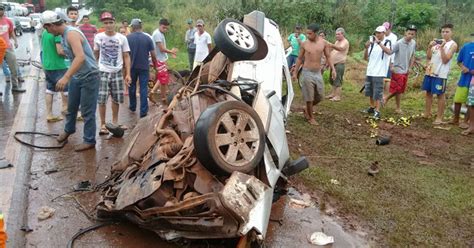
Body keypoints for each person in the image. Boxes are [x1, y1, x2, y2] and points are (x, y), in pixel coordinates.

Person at [41, 10, 100, 152]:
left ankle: (89, 140)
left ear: (51, 25)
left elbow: (80, 57)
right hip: (78, 76)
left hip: (89, 76)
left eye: (46, 27)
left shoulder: (71, 33)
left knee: (87, 111)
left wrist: (66, 76)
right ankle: (69, 130)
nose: (46, 31)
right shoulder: (62, 35)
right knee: (71, 108)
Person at [94, 12, 131, 135]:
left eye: (110, 22)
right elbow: (96, 54)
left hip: (117, 72)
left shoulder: (122, 38)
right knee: (102, 99)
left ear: (114, 23)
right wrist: (94, 70)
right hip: (103, 72)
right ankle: (103, 124)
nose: (108, 25)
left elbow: (126, 56)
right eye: (106, 23)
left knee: (116, 99)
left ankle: (115, 122)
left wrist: (128, 74)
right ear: (103, 24)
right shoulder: (98, 37)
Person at [292, 23, 336, 125]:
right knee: (309, 97)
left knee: (320, 96)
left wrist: (333, 69)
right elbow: (299, 58)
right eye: (307, 33)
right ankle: (310, 117)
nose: (308, 35)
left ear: (315, 33)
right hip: (307, 72)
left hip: (317, 73)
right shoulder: (305, 44)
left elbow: (328, 56)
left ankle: (306, 108)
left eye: (310, 33)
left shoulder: (323, 43)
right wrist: (295, 73)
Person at [422, 23, 457, 125]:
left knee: (440, 95)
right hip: (430, 71)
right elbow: (428, 57)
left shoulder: (453, 45)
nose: (444, 33)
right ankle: (427, 113)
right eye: (443, 31)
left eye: (447, 31)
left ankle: (439, 118)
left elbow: (446, 60)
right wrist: (429, 46)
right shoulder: (436, 43)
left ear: (451, 32)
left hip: (441, 73)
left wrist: (442, 47)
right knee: (428, 93)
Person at [127, 18, 158, 118]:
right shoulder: (147, 38)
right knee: (143, 88)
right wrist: (155, 66)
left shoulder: (128, 38)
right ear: (141, 27)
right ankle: (143, 111)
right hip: (144, 67)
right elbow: (153, 55)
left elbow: (125, 54)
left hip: (131, 67)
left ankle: (132, 106)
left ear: (132, 27)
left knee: (132, 87)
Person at [383, 25, 417, 113]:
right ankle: (385, 98)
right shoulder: (398, 43)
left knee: (400, 90)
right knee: (398, 88)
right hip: (397, 68)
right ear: (405, 33)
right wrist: (391, 65)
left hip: (406, 69)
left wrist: (410, 67)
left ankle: (398, 108)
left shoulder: (413, 43)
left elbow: (413, 56)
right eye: (409, 33)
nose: (410, 35)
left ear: (414, 35)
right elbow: (391, 52)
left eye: (412, 34)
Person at [362, 25, 392, 120]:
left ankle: (377, 111)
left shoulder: (387, 42)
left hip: (379, 72)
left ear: (384, 33)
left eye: (379, 33)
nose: (377, 34)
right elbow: (366, 58)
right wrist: (366, 47)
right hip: (370, 71)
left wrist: (379, 43)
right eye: (376, 33)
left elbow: (389, 52)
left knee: (378, 92)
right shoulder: (372, 43)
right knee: (370, 91)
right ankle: (372, 107)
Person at [41, 27, 69, 122]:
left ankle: (49, 114)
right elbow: (60, 51)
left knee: (50, 89)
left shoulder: (45, 32)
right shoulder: (56, 33)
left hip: (47, 65)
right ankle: (73, 112)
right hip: (58, 65)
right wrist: (70, 54)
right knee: (67, 89)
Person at [152, 18, 177, 105]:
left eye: (166, 28)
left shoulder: (160, 33)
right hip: (159, 59)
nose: (165, 30)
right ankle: (163, 98)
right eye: (164, 27)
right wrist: (171, 51)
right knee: (163, 80)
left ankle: (153, 92)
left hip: (162, 58)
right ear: (160, 25)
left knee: (161, 77)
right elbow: (161, 49)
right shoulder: (157, 34)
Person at [0, 3, 24, 93]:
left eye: (2, 9)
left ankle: (15, 86)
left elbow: (12, 32)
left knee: (13, 66)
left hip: (8, 47)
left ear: (4, 10)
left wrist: (15, 41)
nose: (0, 11)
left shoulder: (8, 21)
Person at [452, 37, 474, 130]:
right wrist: (463, 67)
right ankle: (455, 119)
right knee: (458, 99)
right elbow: (459, 61)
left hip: (473, 80)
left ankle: (466, 121)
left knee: (471, 102)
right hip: (464, 78)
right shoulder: (466, 47)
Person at [326, 27, 349, 101]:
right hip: (333, 64)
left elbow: (340, 48)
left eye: (338, 34)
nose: (337, 36)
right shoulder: (337, 41)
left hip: (340, 64)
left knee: (338, 80)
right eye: (336, 34)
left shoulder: (345, 42)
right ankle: (333, 94)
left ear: (343, 34)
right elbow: (333, 51)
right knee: (332, 79)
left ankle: (337, 96)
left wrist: (331, 45)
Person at [383, 22, 398, 95]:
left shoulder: (393, 37)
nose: (385, 31)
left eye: (386, 29)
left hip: (389, 60)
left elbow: (393, 50)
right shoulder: (382, 35)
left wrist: (392, 62)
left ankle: (385, 95)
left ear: (389, 29)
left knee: (387, 79)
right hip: (382, 59)